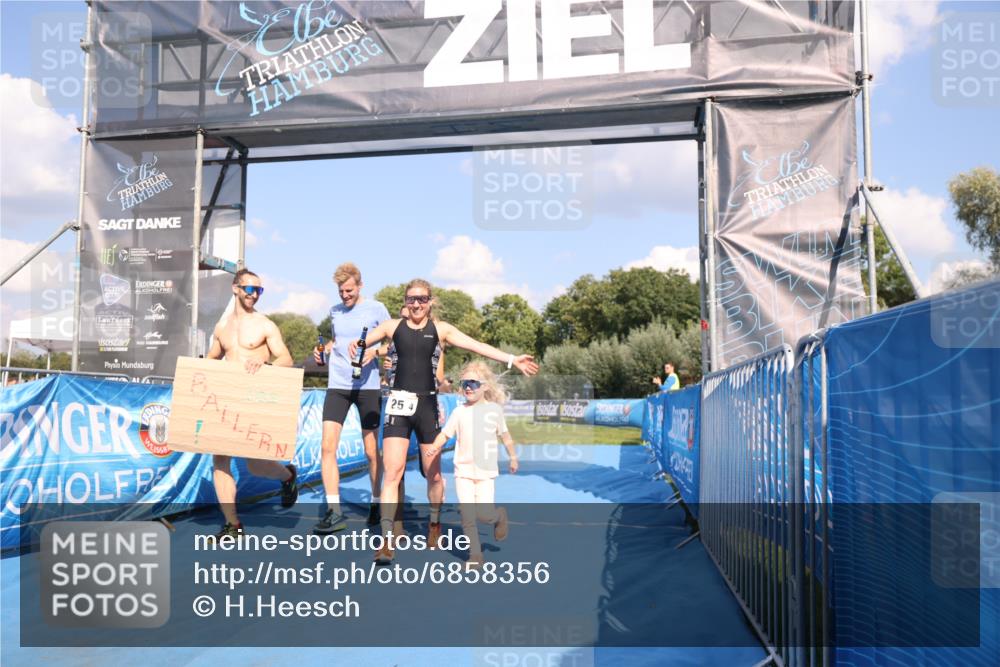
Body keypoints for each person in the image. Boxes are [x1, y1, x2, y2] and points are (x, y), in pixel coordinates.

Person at [349, 278, 538, 564]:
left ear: (430, 301)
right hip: (398, 406)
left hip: (427, 406)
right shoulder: (391, 327)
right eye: (411, 299)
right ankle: (387, 541)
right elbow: (361, 344)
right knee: (393, 472)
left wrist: (512, 360)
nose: (416, 304)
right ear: (405, 301)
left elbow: (477, 346)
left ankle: (434, 521)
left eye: (422, 299)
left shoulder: (441, 330)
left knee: (434, 474)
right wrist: (355, 347)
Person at [206, 269, 298, 539]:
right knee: (220, 459)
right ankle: (232, 525)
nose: (254, 295)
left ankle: (287, 476)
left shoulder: (265, 324)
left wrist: (266, 363)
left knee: (256, 465)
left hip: (254, 399)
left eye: (259, 290)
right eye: (249, 289)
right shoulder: (222, 327)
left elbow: (286, 359)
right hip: (227, 398)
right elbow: (212, 358)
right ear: (236, 288)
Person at [312, 263, 391, 534]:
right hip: (338, 386)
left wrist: (375, 353)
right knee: (326, 447)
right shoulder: (335, 311)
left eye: (349, 290)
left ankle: (376, 501)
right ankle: (334, 512)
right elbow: (335, 341)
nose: (344, 295)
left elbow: (393, 341)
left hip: (367, 386)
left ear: (360, 285)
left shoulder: (377, 309)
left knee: (371, 452)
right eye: (340, 291)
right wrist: (322, 352)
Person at [427, 361, 517, 568]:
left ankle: (498, 516)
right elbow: (445, 433)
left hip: (485, 472)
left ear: (485, 386)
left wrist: (512, 457)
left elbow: (505, 435)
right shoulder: (459, 412)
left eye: (474, 383)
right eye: (465, 382)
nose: (468, 387)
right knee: (467, 515)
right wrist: (434, 446)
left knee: (484, 515)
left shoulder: (494, 410)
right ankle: (475, 554)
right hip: (463, 471)